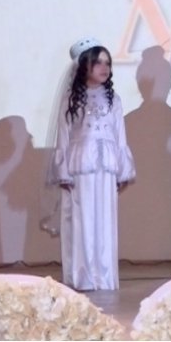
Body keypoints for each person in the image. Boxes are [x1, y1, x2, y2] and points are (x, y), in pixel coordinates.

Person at [48, 38, 136, 291]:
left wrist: (122, 170)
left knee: (105, 220)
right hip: (80, 166)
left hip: (106, 166)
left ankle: (104, 276)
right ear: (84, 66)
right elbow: (63, 137)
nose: (104, 68)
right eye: (98, 63)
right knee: (82, 220)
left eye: (108, 63)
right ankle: (82, 275)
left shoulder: (113, 99)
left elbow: (120, 137)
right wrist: (63, 171)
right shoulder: (71, 99)